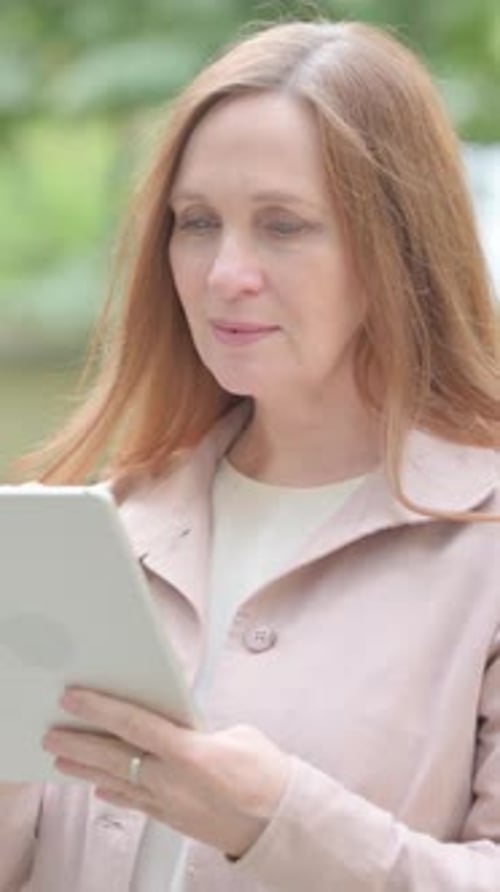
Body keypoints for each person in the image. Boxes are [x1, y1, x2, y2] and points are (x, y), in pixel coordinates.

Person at [2, 15, 500, 892]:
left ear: (400, 248)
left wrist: (274, 820)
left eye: (284, 225)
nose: (224, 273)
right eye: (197, 222)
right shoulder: (103, 528)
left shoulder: (482, 547)